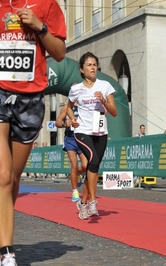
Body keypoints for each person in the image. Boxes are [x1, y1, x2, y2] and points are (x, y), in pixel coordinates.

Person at [0, 2, 66, 265]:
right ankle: (6, 250)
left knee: (13, 178)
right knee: (3, 175)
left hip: (30, 99)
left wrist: (40, 27)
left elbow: (60, 53)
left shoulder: (48, 4)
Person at [67, 52, 117, 220]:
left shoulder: (105, 85)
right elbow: (68, 107)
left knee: (93, 168)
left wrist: (103, 101)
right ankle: (93, 201)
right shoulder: (76, 89)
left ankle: (82, 202)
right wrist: (72, 119)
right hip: (82, 131)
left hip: (100, 132)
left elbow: (114, 112)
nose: (93, 67)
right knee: (93, 161)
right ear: (82, 69)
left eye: (95, 64)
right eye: (89, 65)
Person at [56, 99, 88, 202]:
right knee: (74, 165)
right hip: (70, 139)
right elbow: (57, 122)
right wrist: (65, 124)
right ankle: (75, 192)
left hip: (82, 139)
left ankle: (76, 174)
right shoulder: (66, 107)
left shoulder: (85, 106)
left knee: (85, 165)